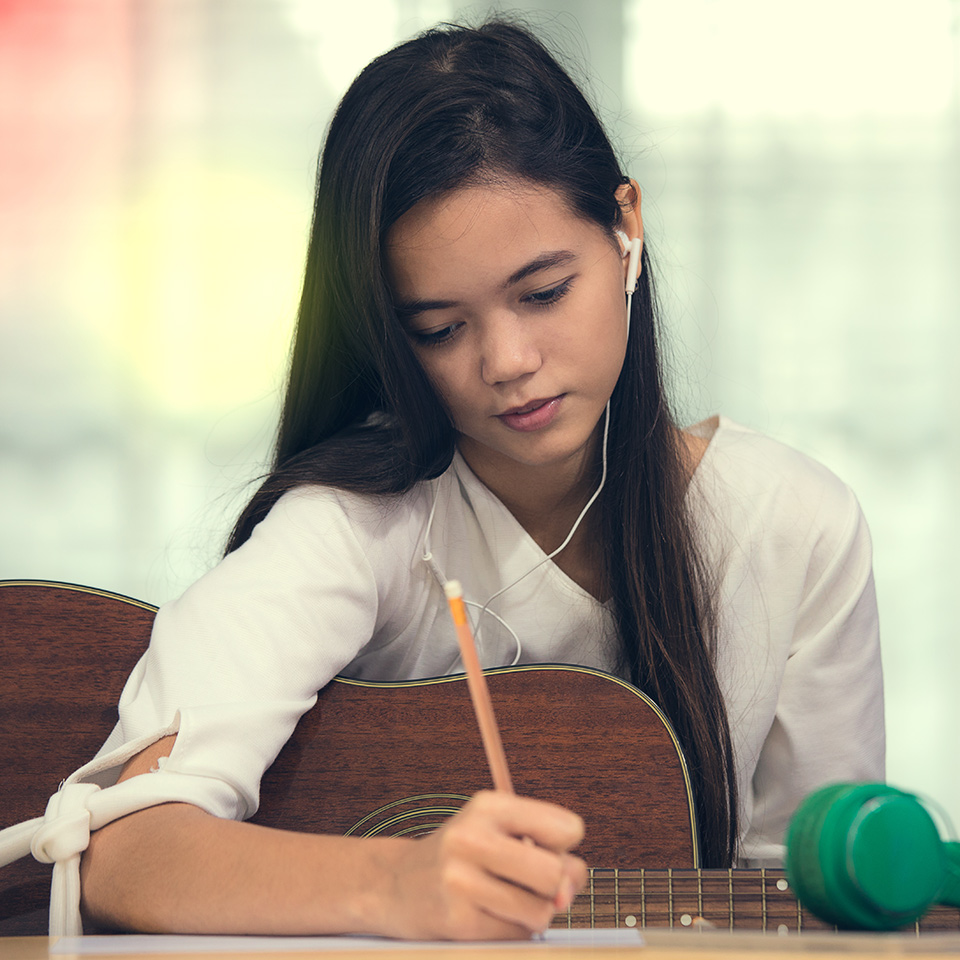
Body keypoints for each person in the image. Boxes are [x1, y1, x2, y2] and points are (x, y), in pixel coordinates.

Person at [6, 18, 883, 940]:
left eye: (543, 292)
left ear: (627, 227)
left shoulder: (795, 527)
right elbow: (124, 848)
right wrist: (394, 885)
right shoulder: (356, 524)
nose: (507, 361)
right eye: (438, 328)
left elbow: (814, 911)